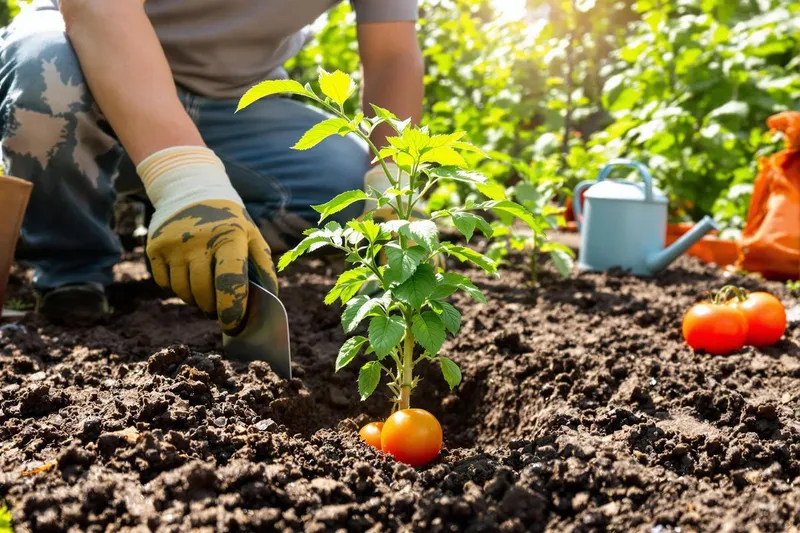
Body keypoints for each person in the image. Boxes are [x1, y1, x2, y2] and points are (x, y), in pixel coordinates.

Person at [0, 0, 423, 332]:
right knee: (45, 85)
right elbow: (97, 5)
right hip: (85, 60)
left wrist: (392, 189)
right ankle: (71, 266)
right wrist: (183, 177)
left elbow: (392, 53)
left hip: (231, 100)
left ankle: (180, 243)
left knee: (347, 191)